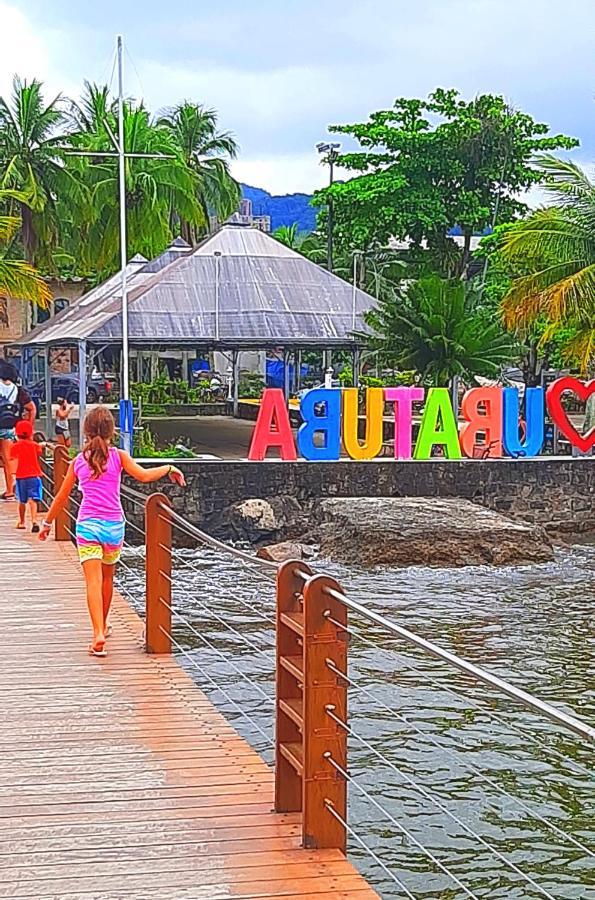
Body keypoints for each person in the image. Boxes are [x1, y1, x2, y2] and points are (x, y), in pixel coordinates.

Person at [40, 407, 186, 657]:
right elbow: (144, 476)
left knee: (92, 582)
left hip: (88, 526)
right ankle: (105, 624)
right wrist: (169, 468)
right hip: (114, 527)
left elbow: (62, 496)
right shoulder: (118, 457)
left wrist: (46, 523)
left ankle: (98, 632)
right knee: (108, 579)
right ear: (112, 431)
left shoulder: (78, 461)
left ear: (85, 431)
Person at [0, 360, 36, 501]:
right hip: (11, 427)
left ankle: (11, 489)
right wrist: (28, 428)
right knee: (10, 458)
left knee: (6, 460)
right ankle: (11, 490)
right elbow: (31, 408)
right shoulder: (17, 389)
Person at [11, 419, 45, 532]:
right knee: (33, 499)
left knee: (22, 500)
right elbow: (39, 451)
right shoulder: (34, 445)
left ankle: (21, 522)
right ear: (31, 433)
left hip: (21, 476)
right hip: (34, 475)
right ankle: (34, 520)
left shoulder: (15, 446)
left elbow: (12, 458)